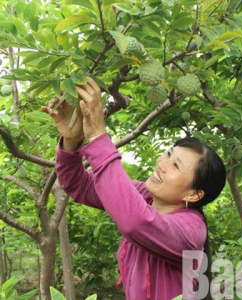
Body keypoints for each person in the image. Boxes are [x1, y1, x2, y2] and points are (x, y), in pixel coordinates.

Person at [42, 77, 226, 299]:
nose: (162, 164)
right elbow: (78, 184)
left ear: (194, 194)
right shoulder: (144, 196)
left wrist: (99, 137)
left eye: (176, 165)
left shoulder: (191, 231)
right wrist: (72, 141)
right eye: (168, 154)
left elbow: (136, 221)